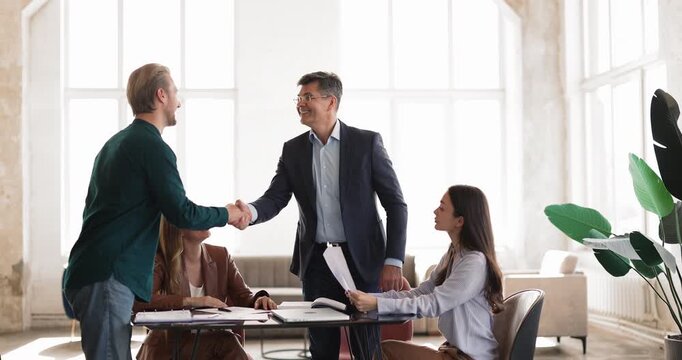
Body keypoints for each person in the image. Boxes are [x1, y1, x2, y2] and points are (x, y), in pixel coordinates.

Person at [62, 63, 245, 359]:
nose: (179, 101)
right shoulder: (152, 147)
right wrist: (229, 213)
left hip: (93, 271)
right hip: (109, 276)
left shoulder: (114, 145)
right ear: (161, 95)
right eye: (175, 93)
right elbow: (182, 213)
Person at [233, 71, 408, 359]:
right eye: (299, 98)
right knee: (321, 348)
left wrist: (393, 260)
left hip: (362, 259)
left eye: (308, 97)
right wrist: (248, 213)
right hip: (318, 263)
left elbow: (396, 204)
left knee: (365, 346)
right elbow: (275, 198)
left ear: (331, 102)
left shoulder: (367, 144)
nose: (300, 103)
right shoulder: (293, 150)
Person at [347, 185, 504, 360]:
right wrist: (373, 297)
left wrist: (376, 303)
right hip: (451, 352)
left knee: (385, 351)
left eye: (442, 208)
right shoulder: (453, 254)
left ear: (459, 221)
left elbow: (433, 303)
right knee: (384, 349)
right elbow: (421, 292)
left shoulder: (474, 263)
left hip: (469, 358)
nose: (435, 211)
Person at [133, 217, 276, 360]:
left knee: (228, 343)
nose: (205, 220)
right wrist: (191, 301)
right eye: (196, 217)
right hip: (171, 345)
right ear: (179, 230)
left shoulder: (221, 255)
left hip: (212, 341)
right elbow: (141, 301)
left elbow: (244, 297)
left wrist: (259, 300)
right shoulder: (161, 259)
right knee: (227, 342)